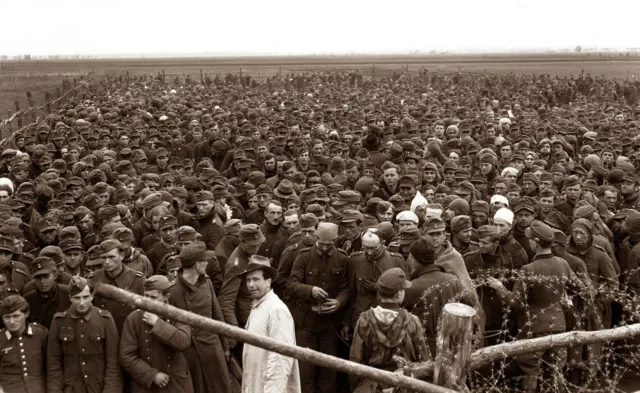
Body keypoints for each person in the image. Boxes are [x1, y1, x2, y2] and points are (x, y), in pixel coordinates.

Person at [488, 221, 575, 392]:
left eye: (530, 240)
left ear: (535, 242)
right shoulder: (562, 263)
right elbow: (575, 286)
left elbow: (516, 304)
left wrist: (499, 288)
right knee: (557, 370)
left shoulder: (529, 269)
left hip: (533, 326)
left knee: (531, 371)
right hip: (558, 324)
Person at [287, 222, 349, 393]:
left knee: (328, 373)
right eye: (321, 244)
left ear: (335, 241)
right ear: (316, 238)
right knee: (306, 372)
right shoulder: (304, 256)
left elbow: (346, 289)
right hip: (306, 324)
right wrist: (310, 290)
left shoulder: (343, 258)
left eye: (329, 245)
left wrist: (338, 302)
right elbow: (291, 284)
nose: (324, 248)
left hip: (329, 325)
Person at [350, 268, 430, 393]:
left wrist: (357, 386)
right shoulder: (412, 321)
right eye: (403, 290)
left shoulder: (364, 319)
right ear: (399, 294)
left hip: (372, 384)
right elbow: (424, 361)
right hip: (404, 385)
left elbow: (355, 359)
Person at [170, 241, 231, 393]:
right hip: (191, 353)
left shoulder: (207, 282)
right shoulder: (172, 291)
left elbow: (217, 314)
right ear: (198, 265)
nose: (207, 263)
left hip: (213, 348)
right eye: (205, 261)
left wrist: (224, 346)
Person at [47, 276, 122, 393]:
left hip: (99, 388)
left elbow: (113, 364)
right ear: (70, 298)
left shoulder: (105, 319)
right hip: (71, 388)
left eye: (86, 297)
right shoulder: (59, 321)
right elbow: (53, 365)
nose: (82, 303)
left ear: (92, 296)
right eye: (77, 298)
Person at [120, 275, 194, 393]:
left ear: (166, 296)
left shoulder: (179, 315)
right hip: (146, 385)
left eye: (153, 297)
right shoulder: (134, 318)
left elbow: (184, 342)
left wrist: (158, 324)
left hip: (175, 384)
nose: (148, 300)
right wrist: (152, 375)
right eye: (146, 296)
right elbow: (126, 356)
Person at [241, 255, 301, 393]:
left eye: (256, 279)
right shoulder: (258, 306)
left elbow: (281, 360)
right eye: (248, 280)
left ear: (268, 282)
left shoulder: (276, 310)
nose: (251, 284)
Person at [88, 239, 145, 333]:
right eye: (103, 257)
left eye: (111, 257)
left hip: (128, 333)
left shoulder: (137, 280)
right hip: (101, 333)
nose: (106, 262)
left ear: (121, 256)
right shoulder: (94, 279)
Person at [0, 295, 48, 393]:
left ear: (26, 314)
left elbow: (52, 367)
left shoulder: (40, 333)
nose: (11, 321)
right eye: (7, 317)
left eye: (16, 316)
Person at [23, 256, 71, 328]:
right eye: (38, 277)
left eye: (46, 276)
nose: (42, 281)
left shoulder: (68, 294)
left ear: (55, 275)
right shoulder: (28, 299)